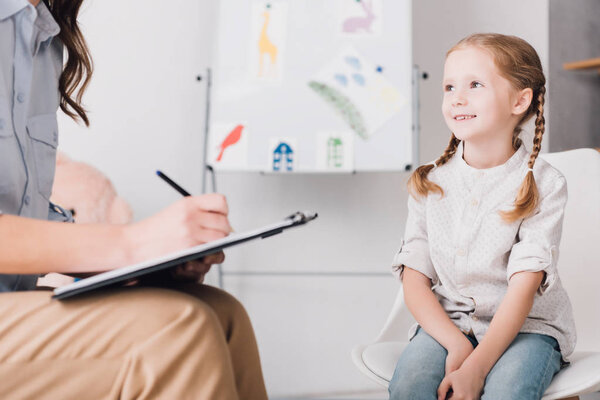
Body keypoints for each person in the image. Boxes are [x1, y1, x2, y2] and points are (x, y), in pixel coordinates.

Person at [0, 0, 268, 398]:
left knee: (222, 313)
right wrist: (129, 244)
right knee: (177, 331)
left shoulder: (40, 36)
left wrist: (138, 263)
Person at [387, 33, 577, 400]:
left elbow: (523, 289)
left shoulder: (545, 184)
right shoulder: (429, 182)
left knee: (507, 390)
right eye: (449, 86)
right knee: (411, 387)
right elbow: (414, 279)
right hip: (449, 326)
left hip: (528, 328)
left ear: (520, 101)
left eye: (475, 84)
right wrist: (457, 346)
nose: (457, 97)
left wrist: (476, 367)